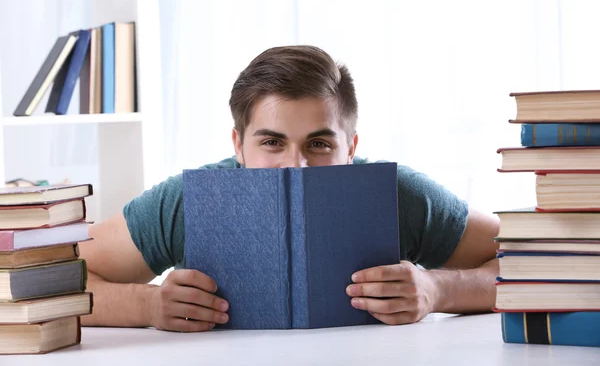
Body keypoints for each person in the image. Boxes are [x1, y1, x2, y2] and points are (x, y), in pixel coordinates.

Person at [80, 45, 499, 332]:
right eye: (272, 142)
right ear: (237, 145)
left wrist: (438, 289)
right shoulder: (191, 199)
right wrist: (148, 305)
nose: (296, 164)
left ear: (350, 147)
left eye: (319, 144)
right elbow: (48, 278)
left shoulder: (396, 192)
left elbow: (539, 261)